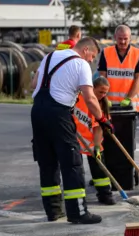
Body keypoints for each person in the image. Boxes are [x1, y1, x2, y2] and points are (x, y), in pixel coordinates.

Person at [31, 37, 115, 224]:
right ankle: (78, 212)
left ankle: (53, 211)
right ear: (85, 50)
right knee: (72, 163)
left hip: (37, 111)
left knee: (48, 162)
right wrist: (102, 119)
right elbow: (90, 98)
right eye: (92, 56)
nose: (91, 61)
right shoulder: (80, 64)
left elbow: (33, 84)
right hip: (59, 114)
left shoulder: (49, 56)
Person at [73, 76, 116, 205]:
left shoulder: (102, 105)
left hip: (92, 141)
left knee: (100, 169)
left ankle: (105, 195)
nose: (103, 95)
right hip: (76, 139)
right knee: (77, 170)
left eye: (105, 93)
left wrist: (97, 146)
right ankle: (78, 199)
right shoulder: (78, 98)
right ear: (92, 89)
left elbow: (99, 129)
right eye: (100, 92)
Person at [98, 24, 139, 111]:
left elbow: (138, 79)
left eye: (125, 38)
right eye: (120, 38)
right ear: (115, 37)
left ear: (130, 38)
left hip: (130, 103)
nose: (122, 41)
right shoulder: (106, 52)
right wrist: (104, 97)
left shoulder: (138, 54)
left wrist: (128, 98)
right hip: (109, 103)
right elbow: (102, 78)